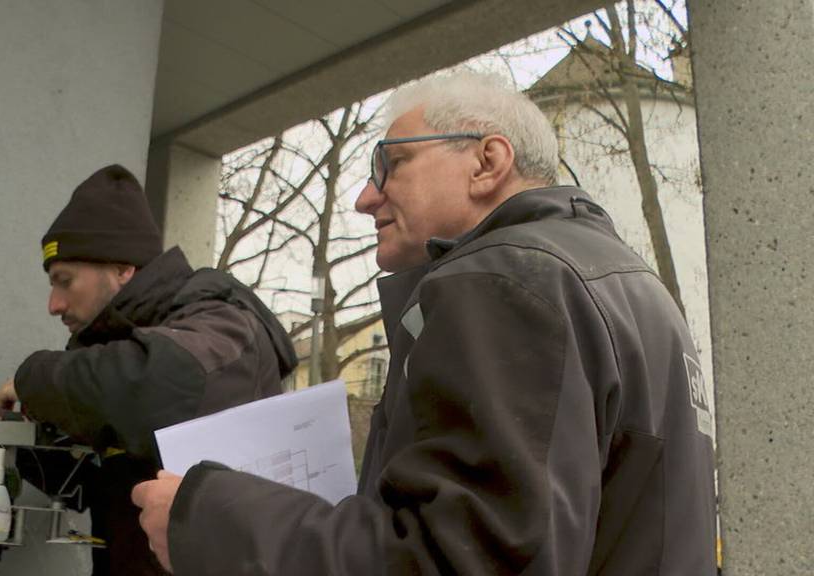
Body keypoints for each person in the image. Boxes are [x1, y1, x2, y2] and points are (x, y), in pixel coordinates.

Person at [132, 72, 718, 575]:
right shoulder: (637, 292)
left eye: (392, 162)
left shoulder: (502, 279)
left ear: (487, 162)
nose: (366, 196)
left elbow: (457, 559)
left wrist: (205, 516)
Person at [0, 164, 297, 575]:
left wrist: (33, 376)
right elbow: (96, 481)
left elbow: (158, 388)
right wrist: (16, 434)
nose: (53, 304)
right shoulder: (120, 349)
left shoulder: (222, 321)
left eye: (65, 281)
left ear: (123, 269)